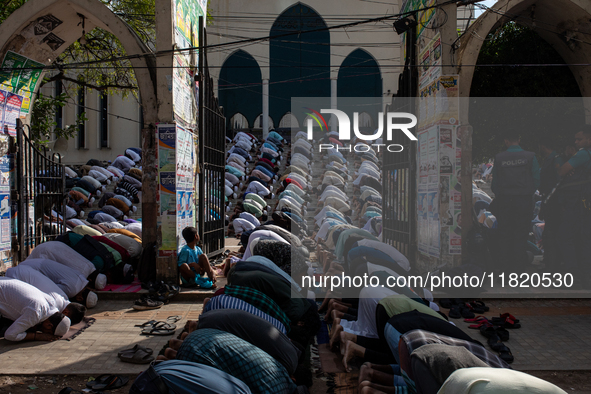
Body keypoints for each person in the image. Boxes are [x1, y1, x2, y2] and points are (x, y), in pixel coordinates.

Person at [490, 134, 539, 273]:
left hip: (504, 201)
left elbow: (495, 184)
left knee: (505, 235)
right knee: (521, 235)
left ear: (506, 141)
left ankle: (505, 270)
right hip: (524, 201)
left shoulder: (499, 158)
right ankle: (519, 271)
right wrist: (525, 192)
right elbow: (536, 180)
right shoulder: (530, 156)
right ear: (519, 140)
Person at [558, 126, 591, 287]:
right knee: (585, 239)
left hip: (579, 203)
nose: (576, 142)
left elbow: (562, 171)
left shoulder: (584, 154)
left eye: (579, 139)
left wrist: (569, 163)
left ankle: (573, 275)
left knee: (569, 237)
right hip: (586, 203)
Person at [6, 264, 87, 324]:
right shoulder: (53, 305)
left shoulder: (63, 297)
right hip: (15, 277)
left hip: (22, 270)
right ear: (66, 312)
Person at [0, 277, 71, 342]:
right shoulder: (36, 312)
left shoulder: (51, 302)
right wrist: (38, 336)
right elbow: (10, 335)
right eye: (48, 332)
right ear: (49, 325)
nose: (43, 332)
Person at [538, 138, 565, 269]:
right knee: (549, 233)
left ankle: (553, 264)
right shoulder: (549, 159)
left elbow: (560, 181)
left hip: (554, 202)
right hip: (548, 200)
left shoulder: (556, 159)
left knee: (552, 233)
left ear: (543, 146)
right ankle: (550, 262)